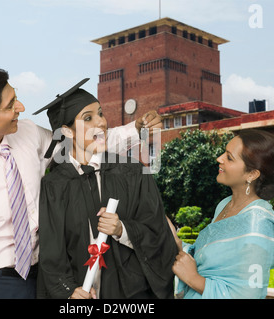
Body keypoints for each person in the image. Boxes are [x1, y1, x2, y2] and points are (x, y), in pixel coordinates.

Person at [0, 66, 162, 299]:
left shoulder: (27, 133)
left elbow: (81, 141)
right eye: (10, 106)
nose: (20, 108)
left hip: (40, 279)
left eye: (16, 98)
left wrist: (136, 130)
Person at [36, 80, 178, 299]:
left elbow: (160, 237)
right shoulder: (55, 185)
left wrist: (123, 229)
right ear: (67, 131)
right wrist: (69, 291)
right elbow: (52, 254)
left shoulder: (133, 173)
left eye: (100, 114)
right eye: (88, 118)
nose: (101, 122)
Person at [172, 129, 274, 299]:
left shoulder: (259, 223)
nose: (219, 159)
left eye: (229, 157)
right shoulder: (224, 204)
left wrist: (193, 279)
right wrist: (175, 241)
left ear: (252, 174)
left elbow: (249, 295)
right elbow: (204, 258)